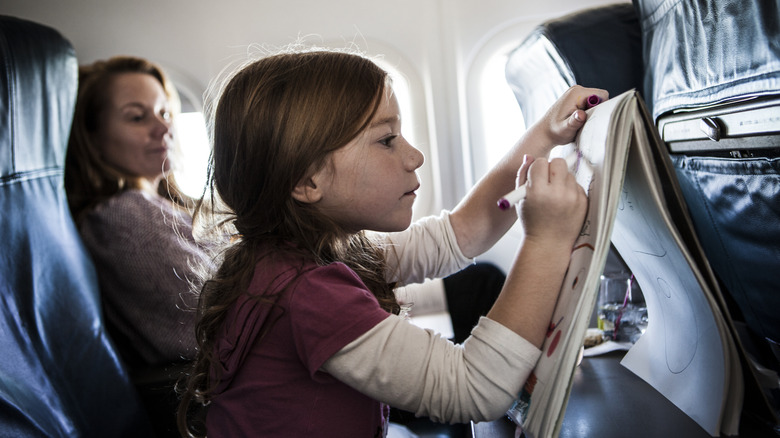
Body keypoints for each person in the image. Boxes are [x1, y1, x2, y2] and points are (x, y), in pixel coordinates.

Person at [176, 48, 605, 437]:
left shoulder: (305, 253)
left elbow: (462, 232)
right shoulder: (304, 292)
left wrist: (546, 135)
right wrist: (547, 240)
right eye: (386, 140)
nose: (415, 156)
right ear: (308, 180)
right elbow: (472, 389)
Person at [64, 56, 209, 437]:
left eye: (164, 111)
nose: (163, 127)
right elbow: (211, 319)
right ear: (91, 136)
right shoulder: (124, 215)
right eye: (136, 116)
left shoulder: (159, 204)